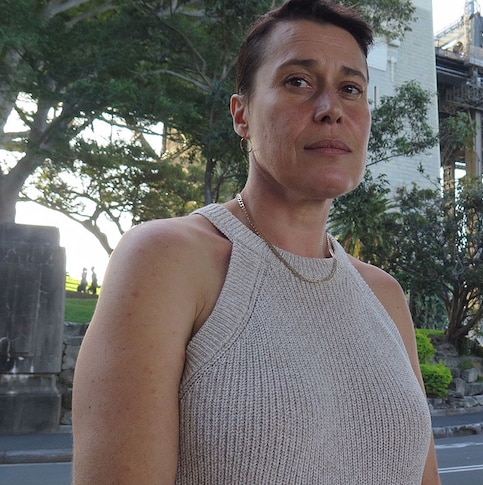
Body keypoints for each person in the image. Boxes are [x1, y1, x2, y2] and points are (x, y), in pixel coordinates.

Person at [71, 1, 440, 483]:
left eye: (351, 89)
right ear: (241, 115)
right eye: (298, 82)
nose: (331, 110)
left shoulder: (383, 295)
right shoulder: (169, 260)